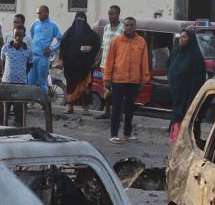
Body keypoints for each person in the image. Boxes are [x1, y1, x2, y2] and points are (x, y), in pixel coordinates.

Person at [103, 16, 151, 144]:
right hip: (118, 80)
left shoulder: (141, 42)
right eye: (127, 25)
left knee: (130, 108)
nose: (129, 27)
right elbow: (109, 62)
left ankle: (127, 134)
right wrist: (107, 79)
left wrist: (143, 80)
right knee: (117, 108)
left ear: (135, 27)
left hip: (134, 81)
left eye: (131, 25)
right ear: (124, 27)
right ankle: (113, 134)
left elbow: (144, 62)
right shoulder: (116, 41)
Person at [167, 28, 208, 134]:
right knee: (176, 117)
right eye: (180, 37)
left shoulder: (196, 57)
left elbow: (199, 78)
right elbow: (168, 65)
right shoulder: (176, 52)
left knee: (188, 117)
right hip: (177, 91)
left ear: (191, 39)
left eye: (184, 37)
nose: (181, 39)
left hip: (189, 92)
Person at [59, 11, 100, 114]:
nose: (80, 22)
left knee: (85, 88)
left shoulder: (91, 35)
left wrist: (90, 49)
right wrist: (62, 60)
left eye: (82, 19)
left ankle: (86, 109)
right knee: (71, 87)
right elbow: (62, 46)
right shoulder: (69, 33)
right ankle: (70, 107)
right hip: (71, 67)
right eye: (78, 19)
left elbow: (97, 45)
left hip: (85, 67)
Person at [1, 26, 33, 123]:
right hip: (6, 83)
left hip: (21, 84)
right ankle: (2, 128)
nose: (18, 38)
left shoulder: (28, 50)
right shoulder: (5, 48)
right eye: (16, 36)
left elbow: (29, 65)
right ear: (13, 36)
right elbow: (2, 63)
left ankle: (18, 130)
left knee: (19, 111)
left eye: (20, 36)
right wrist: (4, 76)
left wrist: (22, 75)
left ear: (24, 36)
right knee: (3, 110)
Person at [28, 5, 62, 94]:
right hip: (33, 57)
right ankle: (30, 102)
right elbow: (30, 35)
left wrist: (51, 48)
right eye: (37, 13)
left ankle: (45, 103)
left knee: (42, 81)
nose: (38, 15)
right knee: (30, 81)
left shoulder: (53, 25)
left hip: (43, 58)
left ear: (46, 13)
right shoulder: (35, 23)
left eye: (40, 13)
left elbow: (60, 40)